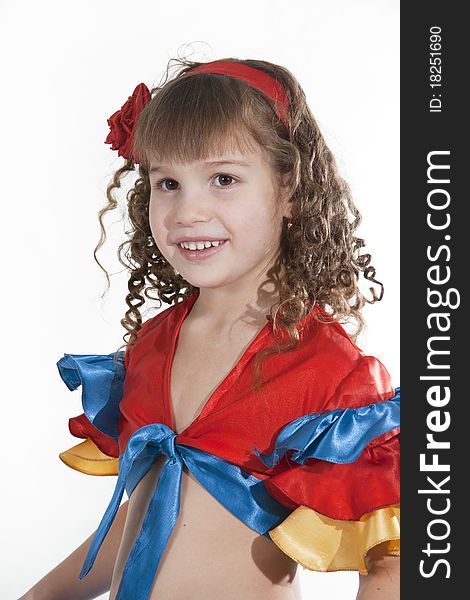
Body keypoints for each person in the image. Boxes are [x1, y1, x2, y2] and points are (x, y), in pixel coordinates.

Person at [19, 58, 400, 600]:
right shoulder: (152, 346)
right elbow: (150, 513)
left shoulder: (327, 372)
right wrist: (45, 594)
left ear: (290, 190)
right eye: (168, 182)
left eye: (223, 179)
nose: (188, 211)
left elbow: (390, 562)